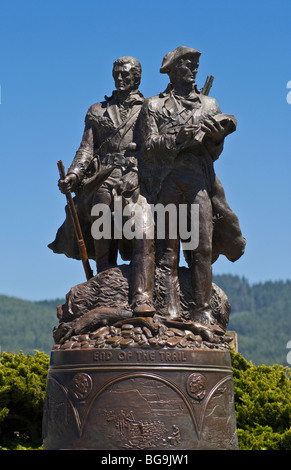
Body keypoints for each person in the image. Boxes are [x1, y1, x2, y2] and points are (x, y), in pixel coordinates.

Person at [137, 46, 245, 324]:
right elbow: (147, 147)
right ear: (172, 69)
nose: (193, 68)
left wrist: (217, 138)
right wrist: (178, 138)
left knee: (201, 249)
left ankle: (202, 310)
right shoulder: (153, 106)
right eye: (187, 64)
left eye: (196, 64)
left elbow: (214, 154)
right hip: (166, 182)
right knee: (167, 250)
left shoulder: (209, 105)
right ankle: (168, 309)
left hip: (198, 182)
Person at [49, 56, 155, 316]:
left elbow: (154, 149)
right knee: (102, 236)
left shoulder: (150, 108)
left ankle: (142, 296)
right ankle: (106, 290)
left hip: (135, 177)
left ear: (137, 78)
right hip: (102, 178)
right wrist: (73, 176)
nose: (120, 78)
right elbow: (86, 149)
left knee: (143, 230)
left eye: (126, 74)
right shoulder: (97, 110)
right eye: (116, 73)